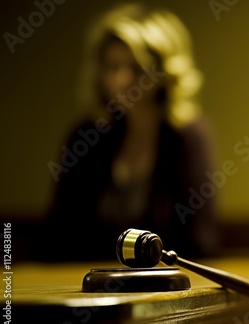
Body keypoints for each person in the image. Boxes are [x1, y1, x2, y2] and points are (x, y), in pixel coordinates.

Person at [38, 3, 220, 262]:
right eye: (113, 67)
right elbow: (57, 238)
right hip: (89, 289)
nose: (123, 80)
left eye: (137, 68)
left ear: (164, 73)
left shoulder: (187, 137)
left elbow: (199, 242)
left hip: (165, 292)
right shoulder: (86, 136)